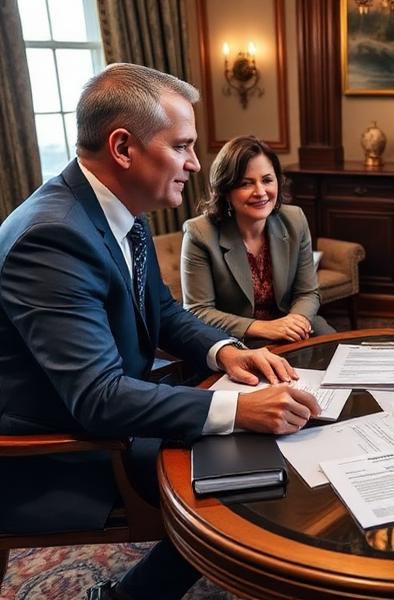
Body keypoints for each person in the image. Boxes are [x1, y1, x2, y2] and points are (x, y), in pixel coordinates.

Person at [0, 64, 321, 600]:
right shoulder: (51, 238)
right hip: (62, 453)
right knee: (248, 468)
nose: (196, 164)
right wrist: (239, 410)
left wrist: (225, 352)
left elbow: (165, 313)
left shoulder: (120, 206)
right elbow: (98, 399)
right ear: (124, 148)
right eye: (183, 146)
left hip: (116, 412)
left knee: (257, 449)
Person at [181, 135, 333, 345]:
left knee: (340, 359)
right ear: (225, 190)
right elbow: (198, 311)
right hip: (237, 338)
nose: (261, 192)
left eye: (267, 180)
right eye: (246, 184)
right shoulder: (199, 233)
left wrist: (294, 321)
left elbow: (307, 292)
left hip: (294, 328)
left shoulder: (295, 219)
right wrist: (264, 328)